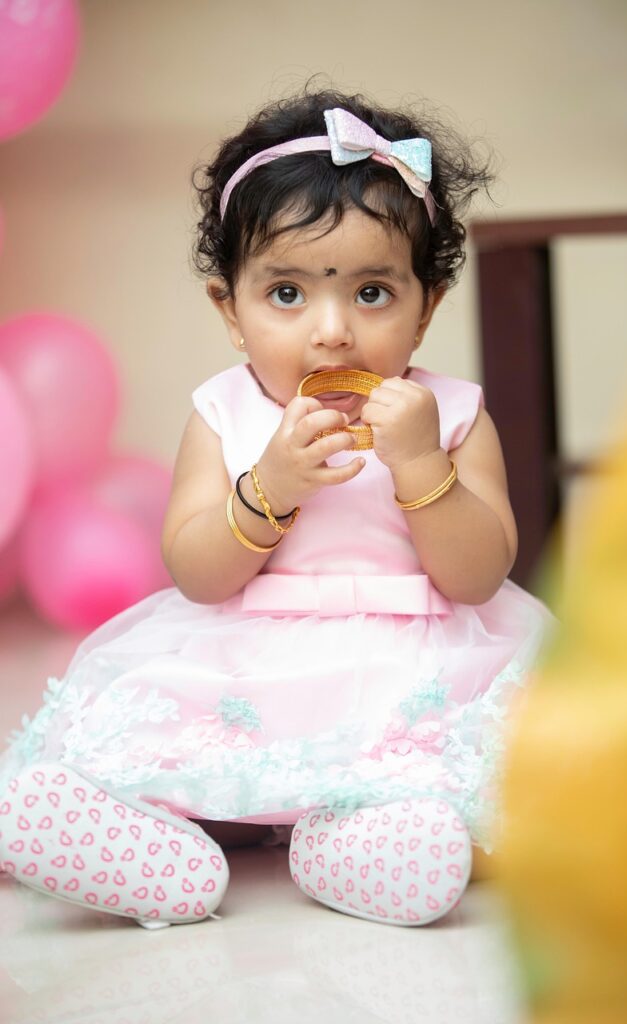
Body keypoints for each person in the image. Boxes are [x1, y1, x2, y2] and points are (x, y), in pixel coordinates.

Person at [0, 87, 552, 929]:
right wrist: (268, 489)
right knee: (192, 755)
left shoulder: (453, 414)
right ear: (231, 310)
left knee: (491, 788)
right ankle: (167, 852)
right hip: (252, 660)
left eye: (372, 294)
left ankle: (355, 844)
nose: (331, 333)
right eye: (287, 295)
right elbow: (196, 573)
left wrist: (420, 465)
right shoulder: (225, 413)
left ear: (426, 306)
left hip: (418, 662)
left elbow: (479, 577)